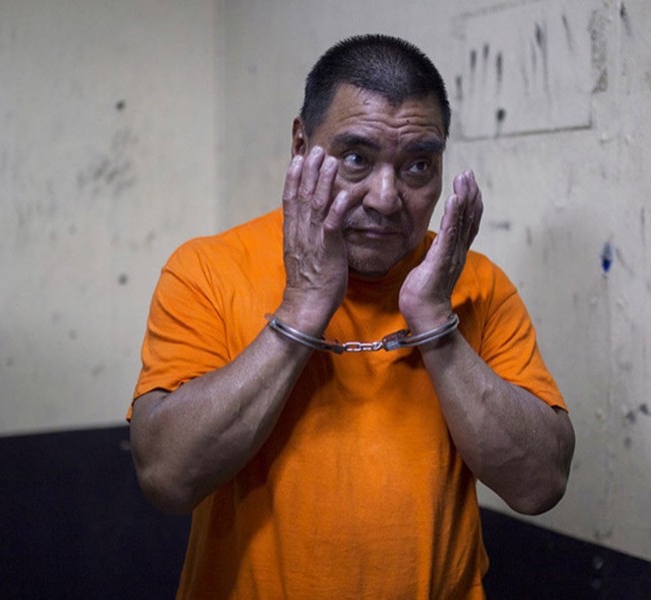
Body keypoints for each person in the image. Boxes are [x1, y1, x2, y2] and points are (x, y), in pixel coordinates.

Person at [128, 34, 575, 598]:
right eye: (356, 159)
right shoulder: (207, 271)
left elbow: (540, 484)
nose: (386, 197)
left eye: (418, 166)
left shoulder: (477, 284)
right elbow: (167, 477)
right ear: (300, 144)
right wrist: (302, 310)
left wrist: (435, 323)